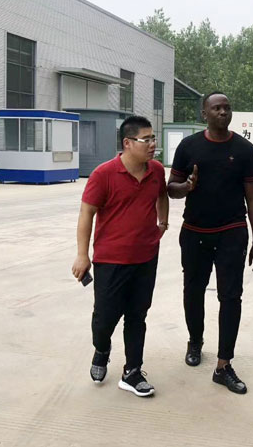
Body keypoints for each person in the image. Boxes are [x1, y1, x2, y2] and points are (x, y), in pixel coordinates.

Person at [167, 91, 253, 395]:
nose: (223, 112)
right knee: (193, 290)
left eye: (227, 108)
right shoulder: (189, 147)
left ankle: (223, 364)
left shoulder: (245, 150)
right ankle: (195, 341)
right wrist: (187, 186)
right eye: (216, 108)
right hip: (194, 231)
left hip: (232, 231)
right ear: (204, 114)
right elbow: (171, 188)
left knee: (231, 296)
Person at [71, 115, 169, 397]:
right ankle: (102, 349)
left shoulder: (156, 170)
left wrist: (162, 223)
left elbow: (162, 196)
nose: (152, 144)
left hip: (146, 258)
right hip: (110, 260)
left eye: (153, 138)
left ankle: (132, 372)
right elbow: (86, 213)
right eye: (146, 139)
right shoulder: (104, 174)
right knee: (105, 319)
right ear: (127, 143)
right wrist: (82, 255)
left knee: (137, 316)